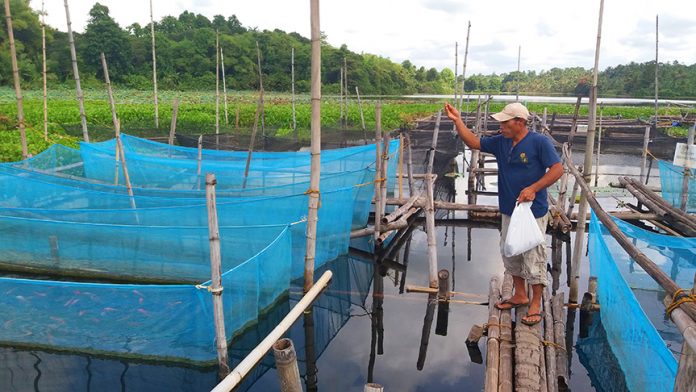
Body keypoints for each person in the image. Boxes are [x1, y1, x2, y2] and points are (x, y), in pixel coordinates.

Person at [444, 101, 563, 326]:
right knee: (510, 252)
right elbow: (473, 141)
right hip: (510, 210)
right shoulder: (501, 142)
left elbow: (557, 169)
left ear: (519, 122)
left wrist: (533, 188)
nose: (501, 126)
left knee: (534, 257)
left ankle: (535, 303)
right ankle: (520, 294)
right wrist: (458, 120)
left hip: (533, 212)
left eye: (505, 122)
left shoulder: (539, 143)